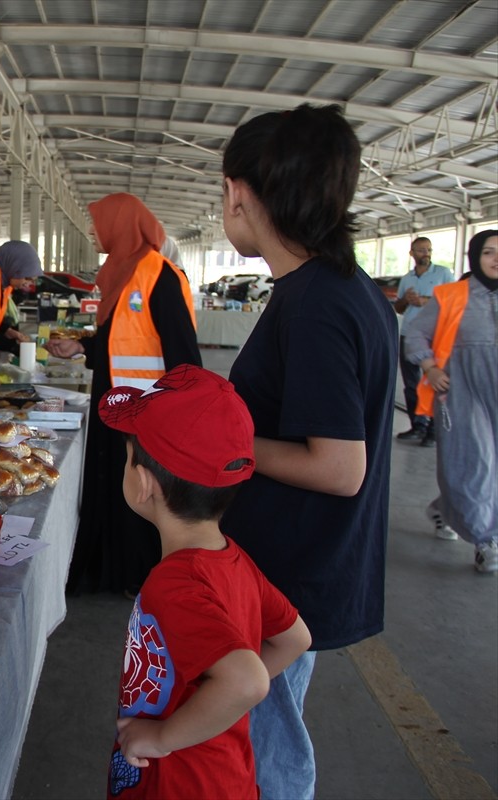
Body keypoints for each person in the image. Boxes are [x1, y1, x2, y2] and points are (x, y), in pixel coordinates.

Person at [217, 104, 397, 800]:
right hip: (295, 562)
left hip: (291, 568)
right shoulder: (332, 287)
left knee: (268, 744)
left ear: (242, 192)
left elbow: (339, 466)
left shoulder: (319, 301)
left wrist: (229, 442)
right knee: (268, 726)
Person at [98, 365, 311, 799]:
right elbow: (295, 639)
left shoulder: (174, 586)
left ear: (143, 484)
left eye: (128, 456)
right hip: (227, 774)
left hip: (181, 783)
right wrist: (212, 708)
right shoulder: (234, 561)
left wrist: (162, 737)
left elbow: (247, 681)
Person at [46, 193, 200, 596]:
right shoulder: (120, 274)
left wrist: (179, 415)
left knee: (141, 494)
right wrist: (81, 347)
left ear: (121, 225)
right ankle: (106, 571)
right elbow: (119, 343)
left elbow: (183, 354)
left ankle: (137, 575)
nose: (94, 232)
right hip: (114, 403)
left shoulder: (160, 275)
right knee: (111, 485)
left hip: (147, 412)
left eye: (99, 223)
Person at [405, 229, 498, 571]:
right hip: (464, 393)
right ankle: (487, 539)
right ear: (475, 257)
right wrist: (428, 366)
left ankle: (445, 508)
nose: (496, 259)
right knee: (476, 465)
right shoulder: (453, 295)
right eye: (489, 252)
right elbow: (416, 332)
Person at [394, 236, 454, 446]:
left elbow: (453, 301)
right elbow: (398, 308)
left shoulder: (443, 274)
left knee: (435, 382)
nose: (425, 254)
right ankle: (417, 426)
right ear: (412, 253)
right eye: (420, 250)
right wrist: (406, 300)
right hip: (409, 335)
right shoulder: (407, 278)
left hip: (436, 337)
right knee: (411, 384)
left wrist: (425, 301)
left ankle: (434, 430)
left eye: (428, 249)